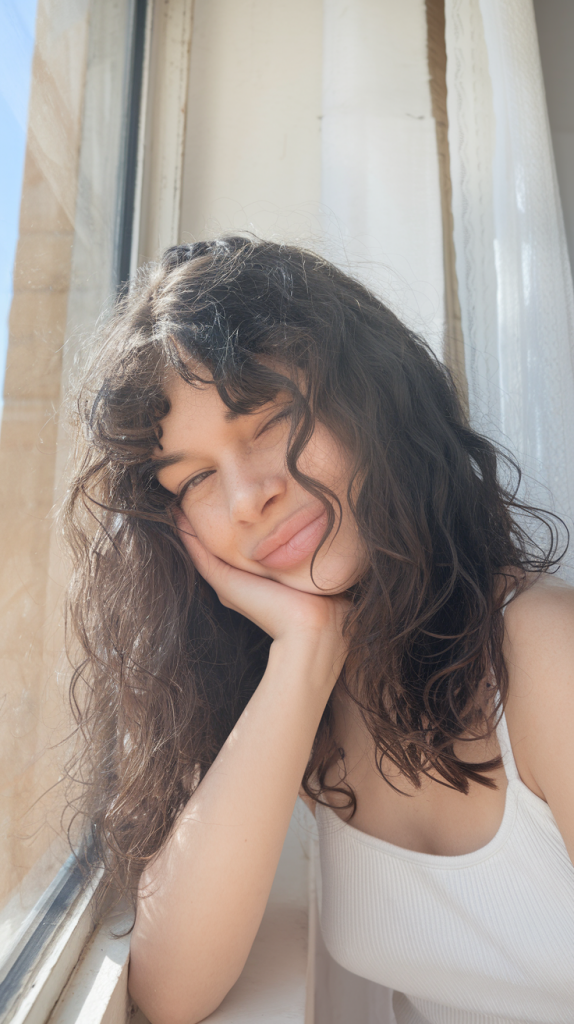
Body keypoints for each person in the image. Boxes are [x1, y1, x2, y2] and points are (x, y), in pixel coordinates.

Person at [64, 236, 574, 1024]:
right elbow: (170, 991)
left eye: (268, 421)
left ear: (373, 402)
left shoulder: (544, 648)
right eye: (195, 479)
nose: (246, 499)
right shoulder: (300, 704)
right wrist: (305, 652)